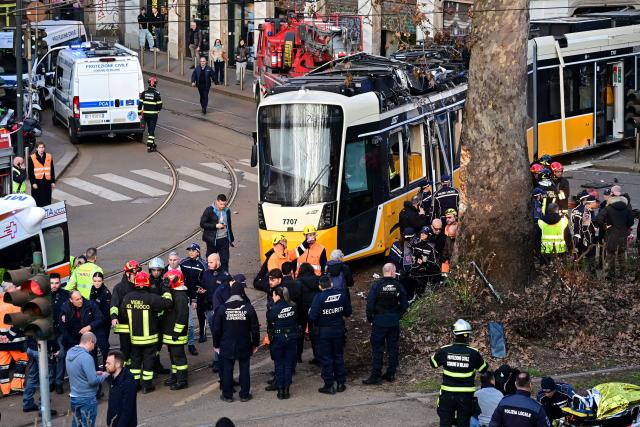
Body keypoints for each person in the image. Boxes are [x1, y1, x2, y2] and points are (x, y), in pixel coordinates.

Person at [121, 271, 172, 393]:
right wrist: (166, 290)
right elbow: (168, 303)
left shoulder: (128, 297)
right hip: (150, 338)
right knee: (149, 360)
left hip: (134, 338)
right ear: (147, 283)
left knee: (135, 361)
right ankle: (147, 385)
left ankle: (135, 384)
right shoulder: (151, 298)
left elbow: (123, 314)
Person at [430, 319, 488, 427]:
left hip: (447, 393)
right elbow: (484, 368)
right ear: (468, 336)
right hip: (466, 395)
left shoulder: (445, 350)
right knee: (464, 422)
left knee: (445, 421)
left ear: (454, 334)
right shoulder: (474, 353)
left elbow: (433, 363)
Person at [212, 281, 260, 403]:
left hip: (227, 344)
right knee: (244, 369)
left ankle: (227, 395)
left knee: (227, 369)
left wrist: (216, 345)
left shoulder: (222, 308)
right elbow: (255, 328)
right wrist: (255, 344)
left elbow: (216, 329)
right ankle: (244, 394)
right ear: (242, 293)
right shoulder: (248, 307)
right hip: (244, 344)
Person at [363, 263, 408, 385]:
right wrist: (398, 315)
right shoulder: (398, 286)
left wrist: (371, 319)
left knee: (377, 348)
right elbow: (405, 304)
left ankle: (376, 375)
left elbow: (370, 304)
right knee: (393, 348)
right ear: (392, 272)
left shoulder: (377, 285)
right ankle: (391, 373)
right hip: (393, 322)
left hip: (379, 321)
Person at [308, 276, 352, 394]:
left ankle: (329, 385)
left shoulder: (319, 297)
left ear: (320, 286)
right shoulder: (341, 295)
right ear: (331, 284)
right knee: (338, 356)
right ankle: (341, 383)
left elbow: (312, 316)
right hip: (339, 331)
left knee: (326, 358)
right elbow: (348, 312)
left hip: (324, 333)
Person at [66, 332, 108, 427]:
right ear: (90, 341)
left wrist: (94, 372)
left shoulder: (70, 353)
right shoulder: (86, 357)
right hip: (87, 399)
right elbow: (92, 381)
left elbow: (76, 372)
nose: (94, 348)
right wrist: (103, 376)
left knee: (76, 424)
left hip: (74, 397)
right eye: (94, 344)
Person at [596, 185, 634, 278]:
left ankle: (610, 275)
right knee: (621, 254)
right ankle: (623, 274)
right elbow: (631, 222)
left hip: (611, 234)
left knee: (610, 254)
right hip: (622, 235)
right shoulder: (626, 208)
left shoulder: (608, 208)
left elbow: (599, 219)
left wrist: (605, 227)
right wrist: (625, 227)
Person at [267, 286, 298, 399]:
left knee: (279, 364)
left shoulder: (274, 308)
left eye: (274, 295)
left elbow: (270, 320)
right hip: (291, 337)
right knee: (288, 364)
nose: (272, 297)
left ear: (278, 296)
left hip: (278, 338)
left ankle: (280, 390)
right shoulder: (293, 306)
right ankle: (286, 389)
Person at [162, 269, 190, 390]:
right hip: (170, 332)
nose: (166, 282)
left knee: (178, 356)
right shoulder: (174, 293)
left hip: (176, 334)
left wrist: (176, 332)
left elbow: (182, 316)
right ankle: (175, 376)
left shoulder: (180, 296)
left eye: (168, 280)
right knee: (173, 356)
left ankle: (182, 379)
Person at [110, 261, 140, 367]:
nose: (136, 275)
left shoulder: (140, 285)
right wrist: (114, 317)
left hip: (137, 324)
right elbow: (114, 305)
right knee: (126, 349)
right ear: (127, 273)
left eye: (137, 272)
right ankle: (125, 371)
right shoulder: (119, 288)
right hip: (124, 325)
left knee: (137, 350)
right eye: (134, 273)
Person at [167, 252, 198, 355]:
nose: (172, 262)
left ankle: (191, 344)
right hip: (169, 302)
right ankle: (172, 344)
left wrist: (193, 299)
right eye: (170, 260)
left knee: (189, 325)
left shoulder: (185, 270)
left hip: (183, 300)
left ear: (179, 260)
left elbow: (191, 284)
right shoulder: (164, 270)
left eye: (174, 260)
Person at [0, 283, 28, 397]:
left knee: (3, 366)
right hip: (15, 341)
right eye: (13, 287)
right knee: (22, 361)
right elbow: (19, 322)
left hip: (1, 343)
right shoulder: (14, 302)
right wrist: (9, 337)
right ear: (9, 290)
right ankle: (17, 386)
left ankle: (5, 390)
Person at [60, 291, 104, 359]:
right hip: (73, 340)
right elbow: (63, 327)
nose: (80, 301)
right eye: (77, 299)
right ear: (71, 300)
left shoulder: (90, 304)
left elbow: (100, 319)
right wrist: (70, 341)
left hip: (88, 338)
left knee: (91, 359)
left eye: (81, 298)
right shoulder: (65, 309)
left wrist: (89, 327)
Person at [22, 337, 59, 416]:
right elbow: (48, 334)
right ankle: (43, 409)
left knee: (32, 377)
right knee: (46, 379)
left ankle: (27, 404)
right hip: (41, 349)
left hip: (31, 348)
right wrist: (56, 348)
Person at [180, 243, 207, 342]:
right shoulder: (183, 262)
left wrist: (203, 288)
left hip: (199, 292)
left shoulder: (203, 264)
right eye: (189, 250)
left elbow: (206, 279)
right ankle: (186, 334)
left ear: (198, 252)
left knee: (201, 313)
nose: (191, 252)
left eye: (193, 250)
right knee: (185, 313)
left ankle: (202, 334)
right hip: (186, 291)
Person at [200, 194, 235, 266]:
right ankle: (211, 276)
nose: (223, 206)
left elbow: (229, 224)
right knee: (211, 261)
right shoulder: (209, 210)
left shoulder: (227, 211)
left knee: (225, 260)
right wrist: (215, 226)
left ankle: (224, 276)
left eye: (224, 204)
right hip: (212, 240)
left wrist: (230, 238)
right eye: (221, 204)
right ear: (217, 201)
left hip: (224, 239)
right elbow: (202, 224)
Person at [105, 350, 137, 427]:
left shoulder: (128, 382)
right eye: (106, 362)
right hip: (113, 422)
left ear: (118, 364)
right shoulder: (112, 377)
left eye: (109, 363)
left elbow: (127, 410)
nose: (105, 365)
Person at [296, 263, 320, 364]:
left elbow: (297, 297)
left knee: (300, 334)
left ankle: (298, 356)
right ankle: (317, 356)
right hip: (314, 309)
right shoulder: (318, 279)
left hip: (302, 311)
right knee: (314, 334)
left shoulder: (298, 282)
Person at [51, 273, 69, 394]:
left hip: (61, 331)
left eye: (57, 283)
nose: (54, 285)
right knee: (49, 358)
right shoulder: (44, 296)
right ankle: (50, 382)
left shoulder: (65, 295)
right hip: (48, 332)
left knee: (61, 356)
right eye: (52, 283)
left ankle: (58, 382)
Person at [389, 228, 418, 301]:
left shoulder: (395, 243)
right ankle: (409, 300)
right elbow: (407, 268)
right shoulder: (407, 250)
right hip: (402, 276)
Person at [89, 272, 111, 369]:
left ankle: (106, 368)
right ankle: (95, 368)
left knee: (104, 347)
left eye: (99, 281)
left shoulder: (106, 293)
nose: (97, 283)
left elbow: (106, 314)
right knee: (92, 348)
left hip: (103, 325)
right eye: (95, 281)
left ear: (102, 281)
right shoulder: (92, 290)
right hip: (94, 324)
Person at [571, 194, 599, 269]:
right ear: (590, 203)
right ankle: (590, 271)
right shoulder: (586, 213)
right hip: (584, 237)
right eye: (594, 202)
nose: (596, 204)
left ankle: (576, 270)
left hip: (577, 236)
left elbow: (573, 222)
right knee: (589, 255)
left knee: (577, 255)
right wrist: (589, 241)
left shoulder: (575, 210)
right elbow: (585, 229)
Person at [138, 75, 163, 152]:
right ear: (155, 84)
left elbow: (140, 105)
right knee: (151, 130)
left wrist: (139, 114)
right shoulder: (156, 94)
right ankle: (149, 146)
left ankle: (153, 144)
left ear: (149, 84)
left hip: (145, 115)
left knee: (149, 130)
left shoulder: (144, 93)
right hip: (153, 115)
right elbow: (160, 104)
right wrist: (157, 111)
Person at [28, 141, 56, 207]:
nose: (41, 149)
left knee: (47, 198)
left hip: (47, 181)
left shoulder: (49, 156)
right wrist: (33, 183)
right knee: (38, 198)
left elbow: (52, 170)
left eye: (43, 147)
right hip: (37, 181)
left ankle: (47, 213)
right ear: (37, 149)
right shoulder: (32, 157)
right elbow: (30, 172)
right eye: (40, 147)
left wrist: (53, 181)